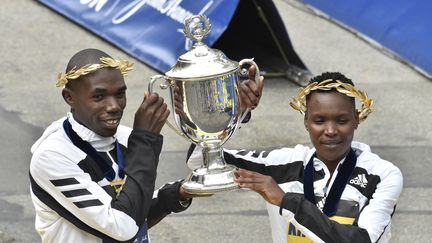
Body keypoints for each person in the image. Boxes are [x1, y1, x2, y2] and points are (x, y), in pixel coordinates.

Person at [28, 48, 263, 243]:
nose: (113, 106)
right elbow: (123, 228)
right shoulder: (52, 156)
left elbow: (137, 207)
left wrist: (231, 112)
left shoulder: (124, 138)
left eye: (120, 94)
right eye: (99, 97)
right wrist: (145, 140)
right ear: (69, 97)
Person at [188, 72, 403, 242]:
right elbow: (201, 160)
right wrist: (236, 112)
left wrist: (285, 201)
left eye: (341, 120)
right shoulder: (284, 164)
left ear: (356, 120)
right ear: (306, 121)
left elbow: (360, 241)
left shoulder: (382, 175)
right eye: (319, 120)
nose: (330, 130)